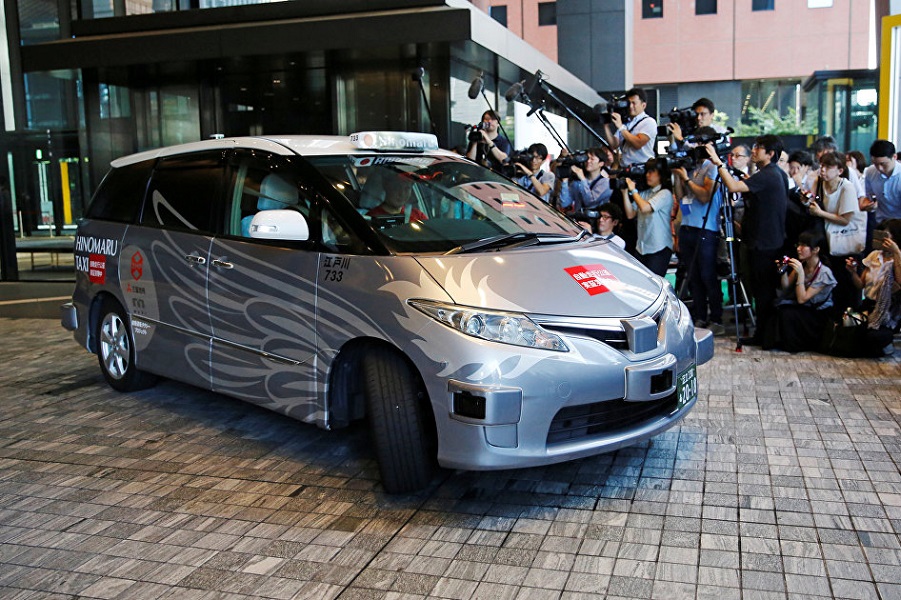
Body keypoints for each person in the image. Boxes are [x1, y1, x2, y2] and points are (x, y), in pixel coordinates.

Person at [707, 134, 788, 344]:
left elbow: (733, 188)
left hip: (764, 244)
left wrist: (718, 163)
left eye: (758, 148)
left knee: (763, 293)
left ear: (770, 154)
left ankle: (766, 337)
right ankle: (763, 334)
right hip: (768, 241)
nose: (754, 151)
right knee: (762, 292)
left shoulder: (768, 174)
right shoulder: (774, 174)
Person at [672, 127, 724, 335]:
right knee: (693, 276)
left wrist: (685, 179)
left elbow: (705, 195)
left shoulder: (712, 166)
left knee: (707, 275)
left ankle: (717, 319)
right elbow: (684, 197)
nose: (692, 148)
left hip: (706, 229)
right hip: (688, 227)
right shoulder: (694, 168)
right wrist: (678, 177)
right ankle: (701, 316)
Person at [806, 151, 866, 313]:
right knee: (834, 287)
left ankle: (851, 323)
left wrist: (820, 213)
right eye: (821, 166)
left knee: (848, 287)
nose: (823, 170)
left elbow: (846, 219)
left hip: (847, 242)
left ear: (840, 170)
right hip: (828, 241)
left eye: (827, 167)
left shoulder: (847, 187)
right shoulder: (819, 183)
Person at [763, 230, 837, 353]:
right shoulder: (803, 264)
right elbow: (786, 286)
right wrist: (783, 271)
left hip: (818, 313)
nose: (799, 249)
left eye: (804, 246)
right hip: (806, 308)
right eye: (799, 245)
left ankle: (794, 345)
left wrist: (801, 274)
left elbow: (802, 299)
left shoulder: (824, 273)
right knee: (776, 307)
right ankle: (776, 342)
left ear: (815, 250)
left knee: (788, 314)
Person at [846, 218, 901, 353]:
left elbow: (900, 282)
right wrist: (853, 272)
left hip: (888, 311)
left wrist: (897, 253)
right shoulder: (874, 256)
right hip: (868, 306)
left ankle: (885, 343)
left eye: (886, 237)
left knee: (873, 337)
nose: (882, 240)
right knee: (852, 333)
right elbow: (860, 285)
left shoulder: (898, 258)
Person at [621, 158, 674, 276]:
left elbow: (645, 208)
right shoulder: (645, 193)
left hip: (658, 248)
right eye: (647, 172)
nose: (647, 175)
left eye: (651, 172)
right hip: (641, 247)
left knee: (655, 284)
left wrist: (633, 190)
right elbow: (630, 214)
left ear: (661, 174)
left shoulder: (665, 193)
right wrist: (624, 192)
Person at [603, 88, 658, 167]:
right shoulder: (626, 123)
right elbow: (614, 144)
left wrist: (621, 127)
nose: (630, 106)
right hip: (625, 168)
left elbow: (638, 143)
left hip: (641, 167)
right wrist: (606, 125)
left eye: (634, 103)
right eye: (629, 103)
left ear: (643, 105)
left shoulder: (649, 122)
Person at [558, 147, 613, 214]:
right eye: (587, 158)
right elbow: (564, 203)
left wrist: (583, 179)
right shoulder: (578, 182)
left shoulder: (606, 183)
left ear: (601, 163)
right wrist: (565, 181)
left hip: (594, 222)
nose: (588, 161)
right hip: (577, 219)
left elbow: (589, 202)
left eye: (592, 159)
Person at [864, 139, 901, 224]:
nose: (879, 168)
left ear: (894, 157)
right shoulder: (871, 171)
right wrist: (869, 204)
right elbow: (867, 196)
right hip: (881, 221)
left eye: (883, 164)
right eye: (875, 164)